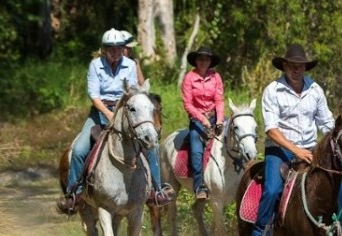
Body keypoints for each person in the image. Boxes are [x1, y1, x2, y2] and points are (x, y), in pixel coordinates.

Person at [244, 43, 342, 236]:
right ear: (285, 66)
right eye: (292, 65)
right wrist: (296, 150)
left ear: (305, 68)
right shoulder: (273, 90)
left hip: (310, 151)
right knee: (271, 189)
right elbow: (271, 130)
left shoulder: (315, 90)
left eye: (300, 66)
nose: (296, 70)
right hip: (279, 150)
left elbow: (326, 122)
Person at [57, 28, 174, 214]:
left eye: (119, 48)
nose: (116, 52)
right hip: (99, 111)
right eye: (111, 48)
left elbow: (134, 92)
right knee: (79, 149)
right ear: (104, 50)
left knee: (152, 144)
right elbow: (94, 96)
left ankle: (156, 190)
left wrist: (125, 113)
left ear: (123, 49)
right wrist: (108, 114)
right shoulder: (95, 65)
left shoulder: (129, 64)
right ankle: (74, 195)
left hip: (126, 112)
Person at [181, 46, 225, 201]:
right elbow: (188, 104)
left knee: (236, 138)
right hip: (197, 120)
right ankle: (200, 186)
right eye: (201, 59)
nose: (203, 62)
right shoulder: (189, 77)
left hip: (215, 116)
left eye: (207, 59)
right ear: (196, 61)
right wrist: (203, 120)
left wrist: (219, 120)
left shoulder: (216, 77)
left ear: (210, 61)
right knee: (196, 149)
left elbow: (219, 100)